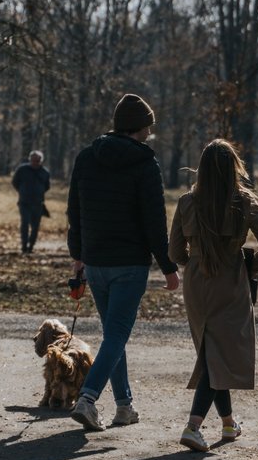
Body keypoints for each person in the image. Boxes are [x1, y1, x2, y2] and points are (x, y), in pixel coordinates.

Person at [67, 93, 181, 431]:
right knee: (116, 335)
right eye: (149, 127)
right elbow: (154, 221)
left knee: (113, 335)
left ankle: (124, 406)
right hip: (129, 264)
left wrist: (78, 255)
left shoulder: (86, 158)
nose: (150, 133)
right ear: (141, 127)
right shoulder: (145, 164)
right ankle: (87, 399)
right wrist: (169, 266)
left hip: (96, 262)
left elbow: (75, 211)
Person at [168, 139, 258, 451]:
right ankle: (193, 426)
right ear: (233, 169)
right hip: (231, 284)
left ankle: (229, 424)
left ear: (201, 168)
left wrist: (196, 266)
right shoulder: (244, 202)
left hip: (198, 286)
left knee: (212, 354)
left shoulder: (187, 202)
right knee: (216, 357)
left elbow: (175, 250)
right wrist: (248, 269)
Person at [12, 150, 50, 254]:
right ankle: (24, 245)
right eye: (33, 160)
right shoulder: (22, 169)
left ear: (41, 161)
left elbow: (47, 186)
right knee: (24, 223)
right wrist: (22, 191)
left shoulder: (45, 172)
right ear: (30, 159)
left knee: (35, 226)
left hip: (38, 203)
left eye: (37, 160)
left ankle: (31, 246)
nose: (35, 162)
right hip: (24, 202)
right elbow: (15, 182)